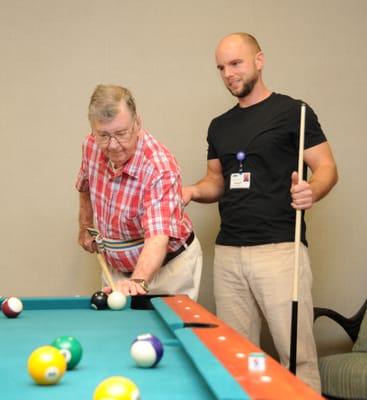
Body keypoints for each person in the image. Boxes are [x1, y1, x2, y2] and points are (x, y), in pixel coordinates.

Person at [183, 33, 338, 391]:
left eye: (235, 63)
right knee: (237, 357)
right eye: (221, 68)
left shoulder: (294, 111)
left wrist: (311, 190)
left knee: (296, 358)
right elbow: (216, 182)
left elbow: (327, 167)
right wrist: (191, 191)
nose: (228, 74)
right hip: (229, 254)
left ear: (259, 60)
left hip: (280, 250)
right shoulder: (219, 125)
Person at [76, 84, 202, 300]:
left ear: (137, 124)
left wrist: (137, 281)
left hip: (169, 270)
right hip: (116, 271)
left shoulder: (159, 166)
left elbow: (158, 237)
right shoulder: (91, 145)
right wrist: (86, 225)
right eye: (103, 135)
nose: (113, 145)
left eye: (121, 133)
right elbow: (84, 185)